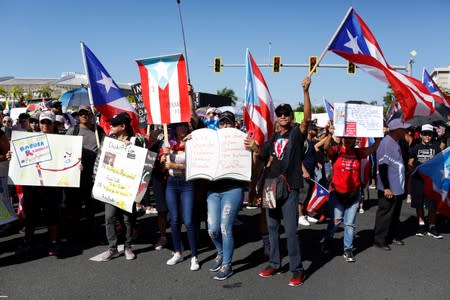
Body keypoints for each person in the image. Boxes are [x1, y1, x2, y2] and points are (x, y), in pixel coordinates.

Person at [249, 77, 312, 287]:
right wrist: (253, 147)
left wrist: (306, 92)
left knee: (291, 231)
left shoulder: (296, 134)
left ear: (291, 117)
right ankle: (274, 263)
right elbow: (261, 155)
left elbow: (307, 121)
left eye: (287, 114)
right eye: (280, 114)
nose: (283, 116)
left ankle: (297, 269)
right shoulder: (273, 139)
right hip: (270, 187)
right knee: (273, 228)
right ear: (276, 118)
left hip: (290, 187)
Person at [8, 111, 63, 256]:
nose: (45, 125)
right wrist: (11, 155)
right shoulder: (29, 139)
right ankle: (28, 242)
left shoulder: (62, 141)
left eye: (48, 122)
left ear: (53, 124)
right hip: (32, 186)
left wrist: (77, 166)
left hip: (52, 185)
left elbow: (68, 160)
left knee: (52, 216)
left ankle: (53, 243)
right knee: (31, 217)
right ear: (39, 124)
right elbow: (19, 158)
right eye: (42, 122)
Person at [321, 129, 380, 262]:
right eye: (346, 138)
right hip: (337, 194)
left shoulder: (358, 153)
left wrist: (378, 134)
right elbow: (325, 148)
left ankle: (348, 249)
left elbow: (374, 147)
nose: (348, 140)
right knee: (335, 222)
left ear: (355, 140)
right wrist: (330, 134)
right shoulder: (336, 151)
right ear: (342, 138)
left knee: (349, 224)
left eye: (351, 138)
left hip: (354, 194)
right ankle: (328, 240)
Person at [204, 110, 249, 280]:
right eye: (222, 123)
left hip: (233, 189)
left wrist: (253, 148)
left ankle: (227, 265)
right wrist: (190, 143)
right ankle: (221, 253)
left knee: (225, 227)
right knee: (212, 230)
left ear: (234, 124)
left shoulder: (242, 140)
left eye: (228, 122)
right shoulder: (212, 141)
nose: (225, 126)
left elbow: (251, 162)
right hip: (213, 190)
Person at [98, 112, 140, 261]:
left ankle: (128, 247)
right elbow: (100, 161)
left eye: (114, 124)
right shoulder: (108, 141)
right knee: (109, 218)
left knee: (127, 219)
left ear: (123, 126)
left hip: (127, 188)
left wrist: (132, 149)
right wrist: (96, 179)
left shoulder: (136, 141)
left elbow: (141, 164)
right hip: (110, 185)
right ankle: (112, 248)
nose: (111, 126)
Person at [160, 122, 199, 271]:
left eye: (184, 125)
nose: (182, 128)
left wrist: (174, 166)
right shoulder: (168, 143)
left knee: (188, 220)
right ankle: (178, 252)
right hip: (171, 183)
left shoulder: (192, 142)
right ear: (174, 128)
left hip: (187, 183)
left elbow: (194, 165)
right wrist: (164, 158)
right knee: (174, 220)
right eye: (179, 126)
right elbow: (164, 168)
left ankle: (194, 256)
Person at [65, 105, 105, 241]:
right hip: (76, 174)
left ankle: (91, 232)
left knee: (91, 205)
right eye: (81, 114)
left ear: (91, 115)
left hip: (93, 174)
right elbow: (65, 151)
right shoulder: (73, 131)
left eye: (86, 113)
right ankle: (75, 233)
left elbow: (106, 149)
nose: (83, 116)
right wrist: (75, 163)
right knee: (74, 205)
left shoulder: (98, 130)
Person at [373, 118, 410, 251]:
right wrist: (386, 187)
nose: (405, 131)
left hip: (397, 186)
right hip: (389, 187)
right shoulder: (386, 143)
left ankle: (392, 236)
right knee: (385, 214)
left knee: (395, 214)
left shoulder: (397, 142)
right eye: (403, 128)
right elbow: (382, 167)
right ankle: (380, 239)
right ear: (396, 130)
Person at [408, 124, 442, 238]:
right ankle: (421, 225)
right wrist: (415, 170)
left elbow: (440, 163)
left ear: (432, 135)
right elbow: (410, 163)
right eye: (425, 134)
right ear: (421, 135)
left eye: (429, 134)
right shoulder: (416, 148)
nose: (427, 136)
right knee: (419, 204)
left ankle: (432, 226)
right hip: (418, 181)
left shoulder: (436, 148)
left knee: (432, 205)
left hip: (432, 181)